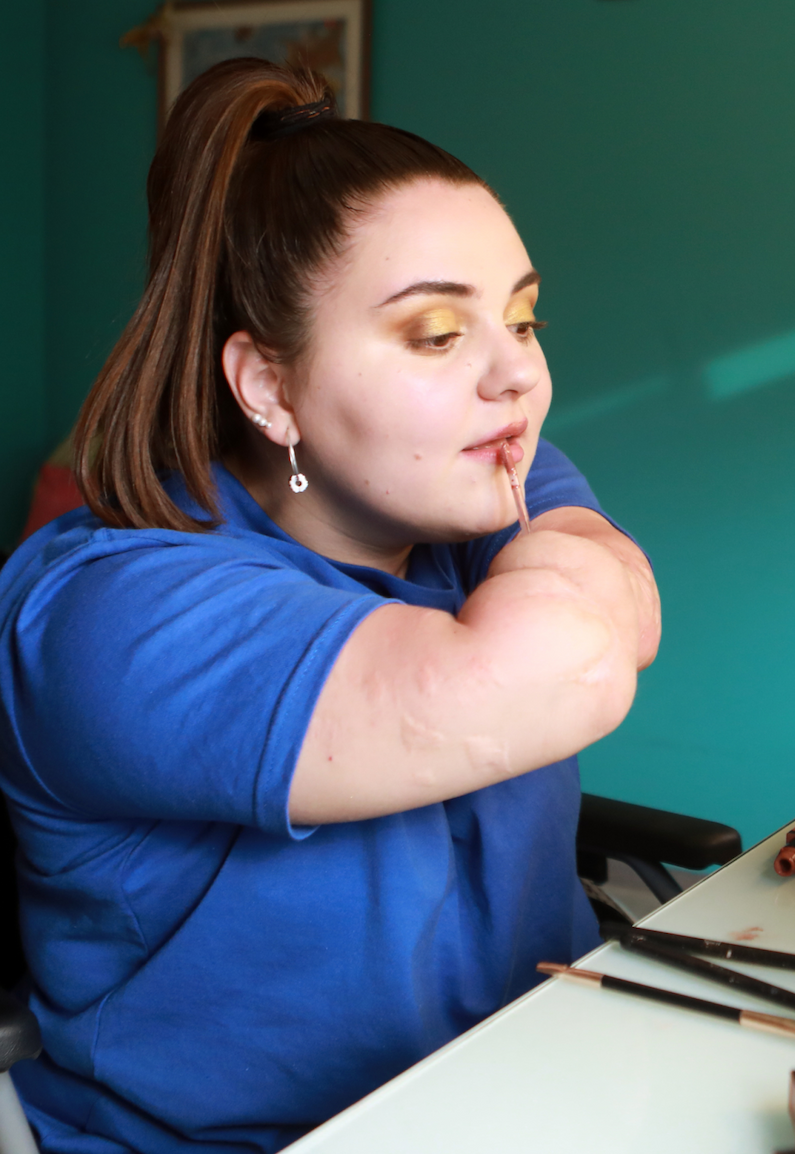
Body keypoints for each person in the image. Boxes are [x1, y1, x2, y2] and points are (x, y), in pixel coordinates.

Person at [0, 59, 660, 1151]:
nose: (518, 378)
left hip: (534, 1092)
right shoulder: (113, 611)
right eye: (438, 334)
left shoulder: (475, 474)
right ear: (268, 386)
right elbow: (574, 659)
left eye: (525, 319)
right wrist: (575, 580)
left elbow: (616, 620)